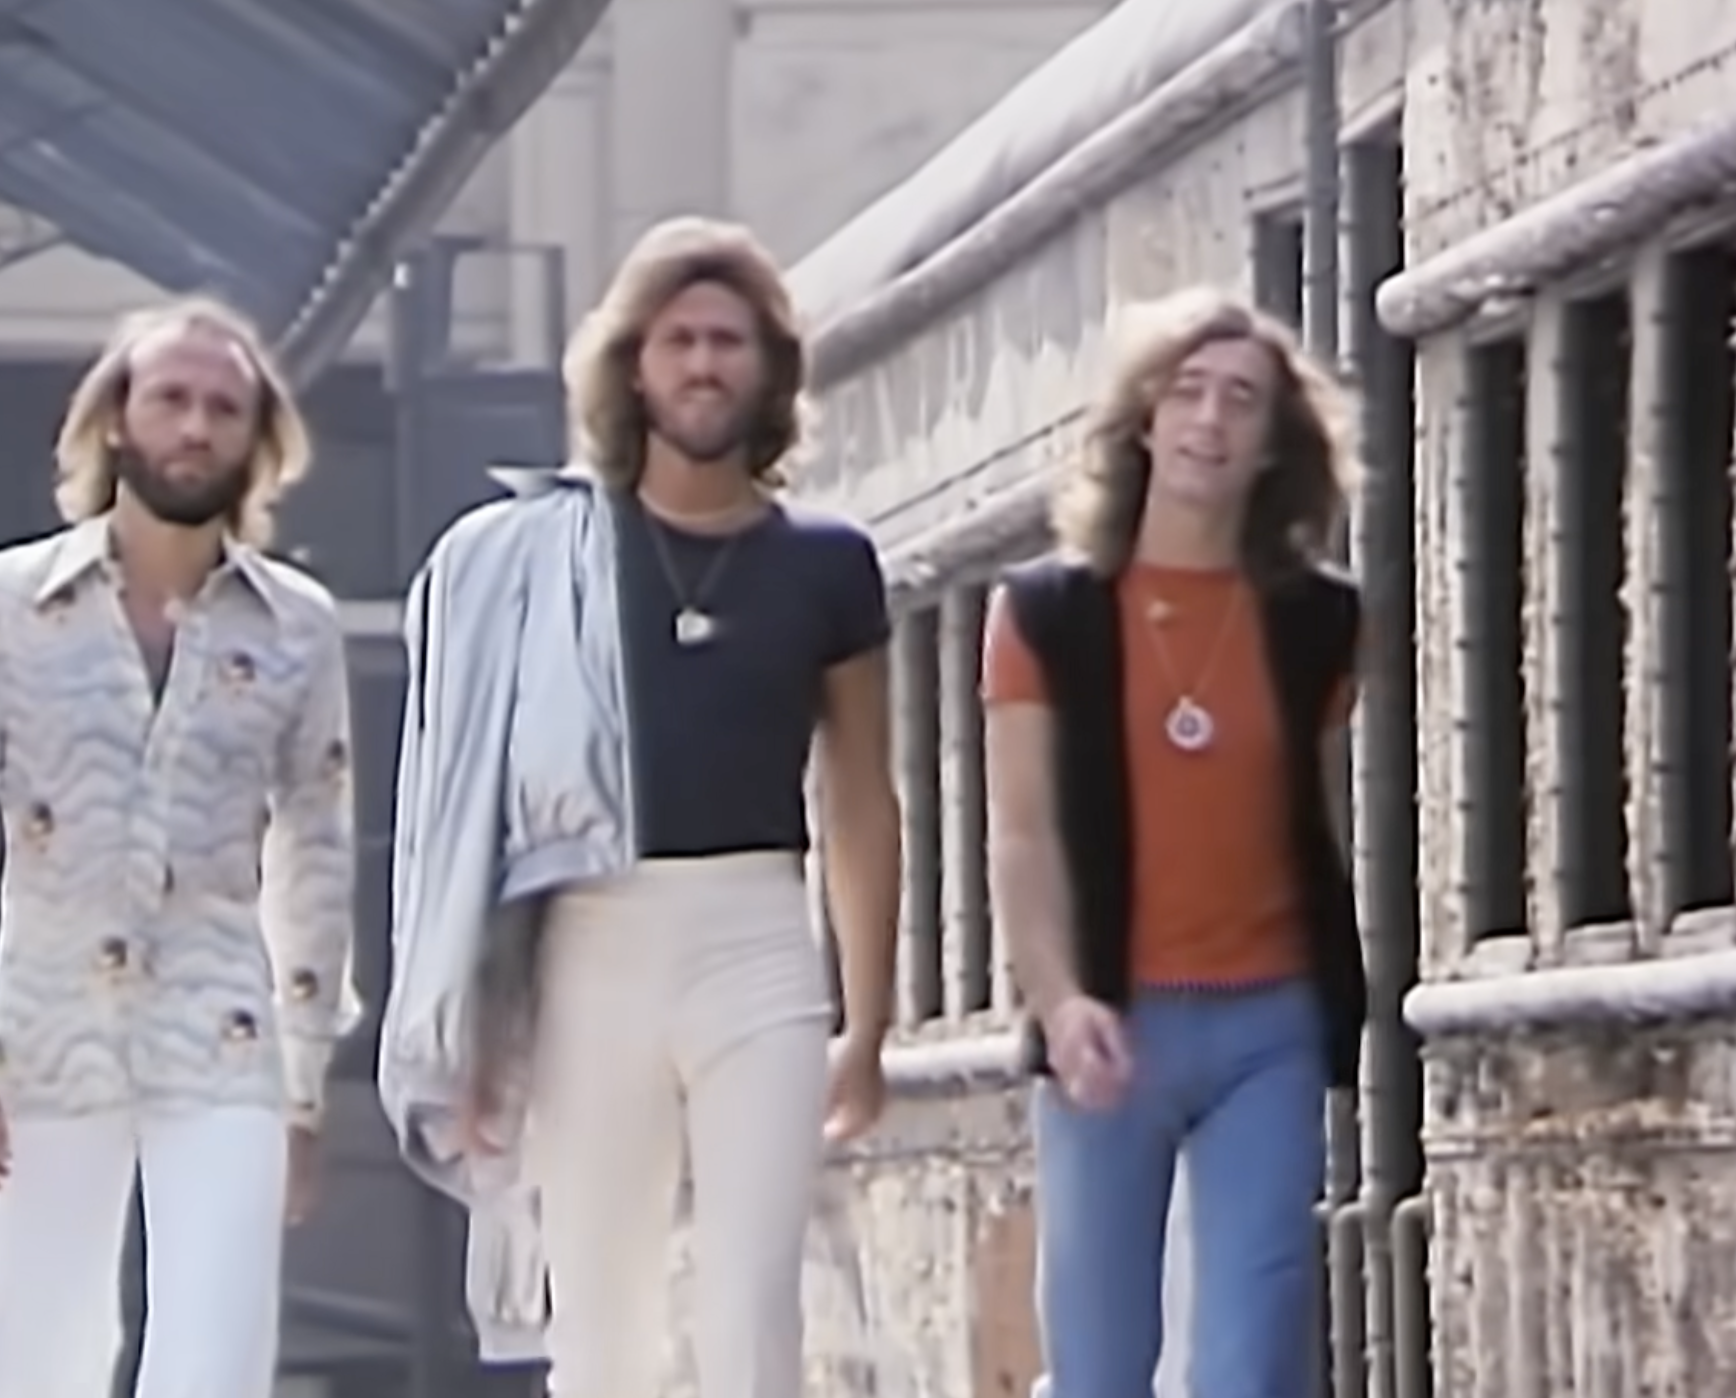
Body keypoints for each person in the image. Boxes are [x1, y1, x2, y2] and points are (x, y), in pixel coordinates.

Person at [375, 215, 901, 1398]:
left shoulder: (826, 561)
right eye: (678, 340)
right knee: (600, 1319)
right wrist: (464, 1023)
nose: (704, 363)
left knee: (751, 1305)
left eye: (728, 341)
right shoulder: (547, 553)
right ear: (632, 366)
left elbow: (862, 798)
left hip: (758, 938)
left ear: (767, 367)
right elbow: (460, 814)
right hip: (590, 947)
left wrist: (863, 1027)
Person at [0, 295, 362, 1398]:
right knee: (40, 1357)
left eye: (223, 409)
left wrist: (301, 1085)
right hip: (43, 1037)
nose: (195, 427)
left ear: (256, 441)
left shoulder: (295, 624)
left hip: (226, 1035)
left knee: (216, 1356)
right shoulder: (0, 605)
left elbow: (317, 849)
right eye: (172, 399)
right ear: (116, 421)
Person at [982, 287, 1366, 1398]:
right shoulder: (1043, 614)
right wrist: (1059, 1003)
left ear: (1268, 448)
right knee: (1100, 1369)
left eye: (1239, 401)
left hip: (1267, 1023)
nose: (1208, 420)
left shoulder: (1318, 623)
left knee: (1251, 1363)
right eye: (1185, 393)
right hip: (1110, 1025)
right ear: (1141, 422)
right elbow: (1021, 834)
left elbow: (1302, 800)